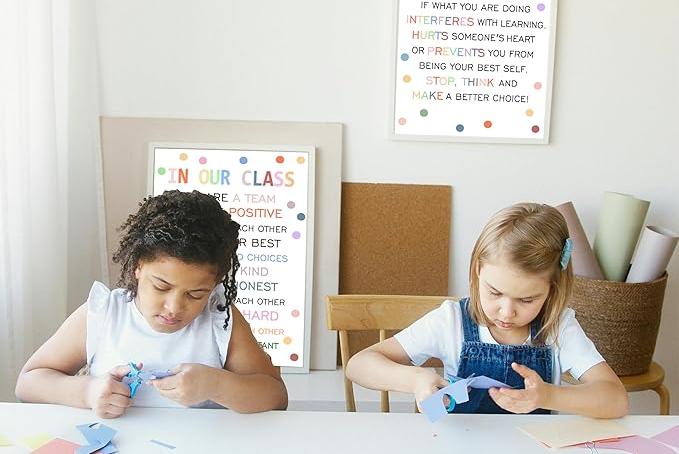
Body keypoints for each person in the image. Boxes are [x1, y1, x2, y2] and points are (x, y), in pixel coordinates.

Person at [16, 190, 288, 418]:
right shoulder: (104, 313)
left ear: (215, 284)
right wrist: (88, 392)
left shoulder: (220, 319)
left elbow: (275, 396)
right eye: (161, 287)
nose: (174, 307)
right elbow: (28, 382)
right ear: (138, 266)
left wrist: (217, 385)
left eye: (195, 294)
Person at [346, 202, 628, 418]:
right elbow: (358, 365)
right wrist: (415, 379)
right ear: (478, 270)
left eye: (526, 300)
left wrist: (548, 397)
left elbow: (616, 399)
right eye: (495, 293)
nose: (506, 312)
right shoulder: (451, 320)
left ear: (552, 289)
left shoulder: (558, 326)